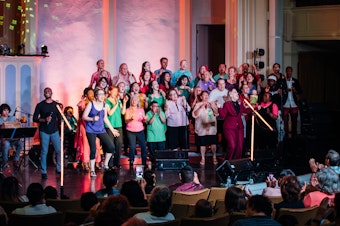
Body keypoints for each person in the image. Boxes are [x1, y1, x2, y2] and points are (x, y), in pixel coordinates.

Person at [82, 88, 120, 177]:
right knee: (93, 149)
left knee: (111, 146)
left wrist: (112, 129)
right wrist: (92, 119)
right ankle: (92, 170)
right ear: (96, 96)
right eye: (100, 94)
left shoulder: (104, 105)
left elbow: (105, 118)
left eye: (103, 94)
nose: (102, 96)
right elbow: (84, 116)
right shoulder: (91, 104)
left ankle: (105, 164)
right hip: (91, 129)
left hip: (101, 129)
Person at [33, 87, 62, 179]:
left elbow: (60, 118)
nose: (47, 93)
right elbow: (35, 118)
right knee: (44, 151)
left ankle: (59, 169)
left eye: (49, 91)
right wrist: (44, 119)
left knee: (59, 150)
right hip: (44, 131)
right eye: (45, 92)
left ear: (52, 93)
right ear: (44, 94)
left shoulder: (56, 105)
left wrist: (62, 126)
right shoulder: (40, 105)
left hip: (54, 131)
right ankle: (44, 172)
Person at [218, 88, 251, 160]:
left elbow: (245, 111)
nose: (237, 94)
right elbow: (222, 115)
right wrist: (219, 107)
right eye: (235, 92)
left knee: (239, 146)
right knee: (232, 145)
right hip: (229, 128)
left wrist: (254, 107)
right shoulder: (227, 104)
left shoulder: (240, 103)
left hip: (239, 127)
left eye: (237, 92)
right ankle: (228, 161)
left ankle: (236, 162)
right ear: (230, 94)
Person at [75, 88, 102, 172]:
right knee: (85, 144)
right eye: (90, 93)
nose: (92, 95)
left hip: (95, 126)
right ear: (86, 95)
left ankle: (97, 162)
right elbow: (81, 115)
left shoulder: (96, 103)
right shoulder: (83, 103)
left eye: (93, 93)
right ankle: (85, 163)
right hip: (85, 125)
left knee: (96, 143)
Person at [192, 91, 219, 165]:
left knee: (213, 143)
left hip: (211, 126)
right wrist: (201, 107)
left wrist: (212, 107)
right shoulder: (198, 104)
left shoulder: (212, 103)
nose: (206, 96)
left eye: (207, 95)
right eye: (204, 95)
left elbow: (216, 113)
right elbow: (194, 114)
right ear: (201, 97)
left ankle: (214, 157)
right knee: (202, 143)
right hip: (201, 127)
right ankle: (203, 158)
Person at [106, 86, 128, 169]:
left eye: (116, 91)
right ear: (109, 92)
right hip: (109, 126)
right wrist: (116, 104)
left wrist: (124, 102)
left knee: (118, 144)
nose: (116, 93)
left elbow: (123, 112)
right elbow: (109, 113)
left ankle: (117, 162)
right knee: (110, 145)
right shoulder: (107, 101)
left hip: (118, 125)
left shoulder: (118, 101)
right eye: (114, 91)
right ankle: (109, 163)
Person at [125, 95, 147, 166]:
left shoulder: (141, 110)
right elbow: (126, 121)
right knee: (132, 146)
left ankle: (144, 161)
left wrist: (144, 119)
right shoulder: (128, 110)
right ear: (131, 101)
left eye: (136, 100)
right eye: (133, 100)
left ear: (138, 102)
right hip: (130, 130)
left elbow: (144, 120)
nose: (134, 102)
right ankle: (131, 161)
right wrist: (131, 119)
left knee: (143, 146)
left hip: (140, 130)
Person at [0, 103, 23, 169]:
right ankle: (5, 162)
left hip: (12, 139)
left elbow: (17, 128)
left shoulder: (12, 118)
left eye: (7, 110)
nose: (6, 112)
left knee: (20, 143)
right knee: (6, 143)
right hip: (3, 140)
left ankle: (16, 160)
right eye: (4, 110)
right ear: (1, 111)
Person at [282, 66, 302, 138]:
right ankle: (286, 136)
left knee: (294, 121)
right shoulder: (283, 81)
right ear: (286, 72)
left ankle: (294, 136)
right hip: (285, 104)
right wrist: (285, 90)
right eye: (288, 71)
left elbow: (300, 91)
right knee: (285, 121)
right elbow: (281, 91)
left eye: (290, 71)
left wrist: (295, 90)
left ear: (292, 72)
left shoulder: (295, 81)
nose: (289, 72)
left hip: (294, 104)